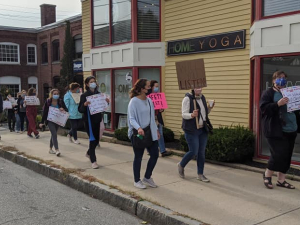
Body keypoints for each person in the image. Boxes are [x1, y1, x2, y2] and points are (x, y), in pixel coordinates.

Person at [260, 71, 297, 189]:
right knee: (278, 154)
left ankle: (281, 180)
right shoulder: (268, 93)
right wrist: (277, 104)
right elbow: (264, 109)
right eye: (279, 78)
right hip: (275, 129)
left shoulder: (289, 92)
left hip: (291, 129)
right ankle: (267, 175)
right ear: (273, 80)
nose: (282, 80)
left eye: (284, 78)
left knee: (287, 155)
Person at [128, 79, 160, 189]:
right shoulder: (134, 101)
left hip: (150, 132)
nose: (150, 88)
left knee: (155, 155)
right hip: (139, 133)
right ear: (142, 88)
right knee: (138, 157)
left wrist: (156, 130)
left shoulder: (149, 101)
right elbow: (131, 118)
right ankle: (137, 180)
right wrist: (138, 128)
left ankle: (147, 177)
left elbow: (152, 117)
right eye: (147, 86)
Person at [177, 88, 214, 182]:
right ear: (192, 88)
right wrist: (192, 115)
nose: (199, 89)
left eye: (201, 87)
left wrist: (209, 108)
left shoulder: (202, 98)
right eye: (197, 87)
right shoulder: (187, 98)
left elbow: (204, 114)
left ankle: (200, 174)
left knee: (201, 152)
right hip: (191, 129)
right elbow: (184, 114)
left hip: (202, 128)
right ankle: (181, 164)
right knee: (193, 151)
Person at [78, 76, 109, 169]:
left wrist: (107, 102)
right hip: (89, 121)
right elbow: (80, 109)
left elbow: (103, 107)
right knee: (92, 140)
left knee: (97, 140)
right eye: (91, 82)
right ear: (87, 84)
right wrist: (84, 105)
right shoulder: (84, 96)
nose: (93, 83)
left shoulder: (99, 94)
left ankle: (88, 153)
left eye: (94, 81)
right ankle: (93, 160)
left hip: (97, 120)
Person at [148, 80, 172, 157]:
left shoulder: (158, 96)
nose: (157, 88)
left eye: (158, 86)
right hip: (152, 119)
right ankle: (153, 150)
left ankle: (162, 150)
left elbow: (160, 108)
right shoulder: (149, 97)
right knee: (152, 135)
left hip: (158, 118)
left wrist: (161, 109)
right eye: (156, 86)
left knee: (160, 134)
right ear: (152, 87)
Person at [40, 89, 68, 156]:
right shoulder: (48, 102)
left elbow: (66, 109)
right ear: (51, 95)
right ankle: (57, 150)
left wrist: (63, 109)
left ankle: (50, 149)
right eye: (54, 94)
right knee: (54, 134)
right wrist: (41, 122)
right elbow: (44, 112)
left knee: (53, 134)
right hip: (50, 121)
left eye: (57, 94)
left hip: (58, 120)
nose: (56, 95)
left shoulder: (60, 101)